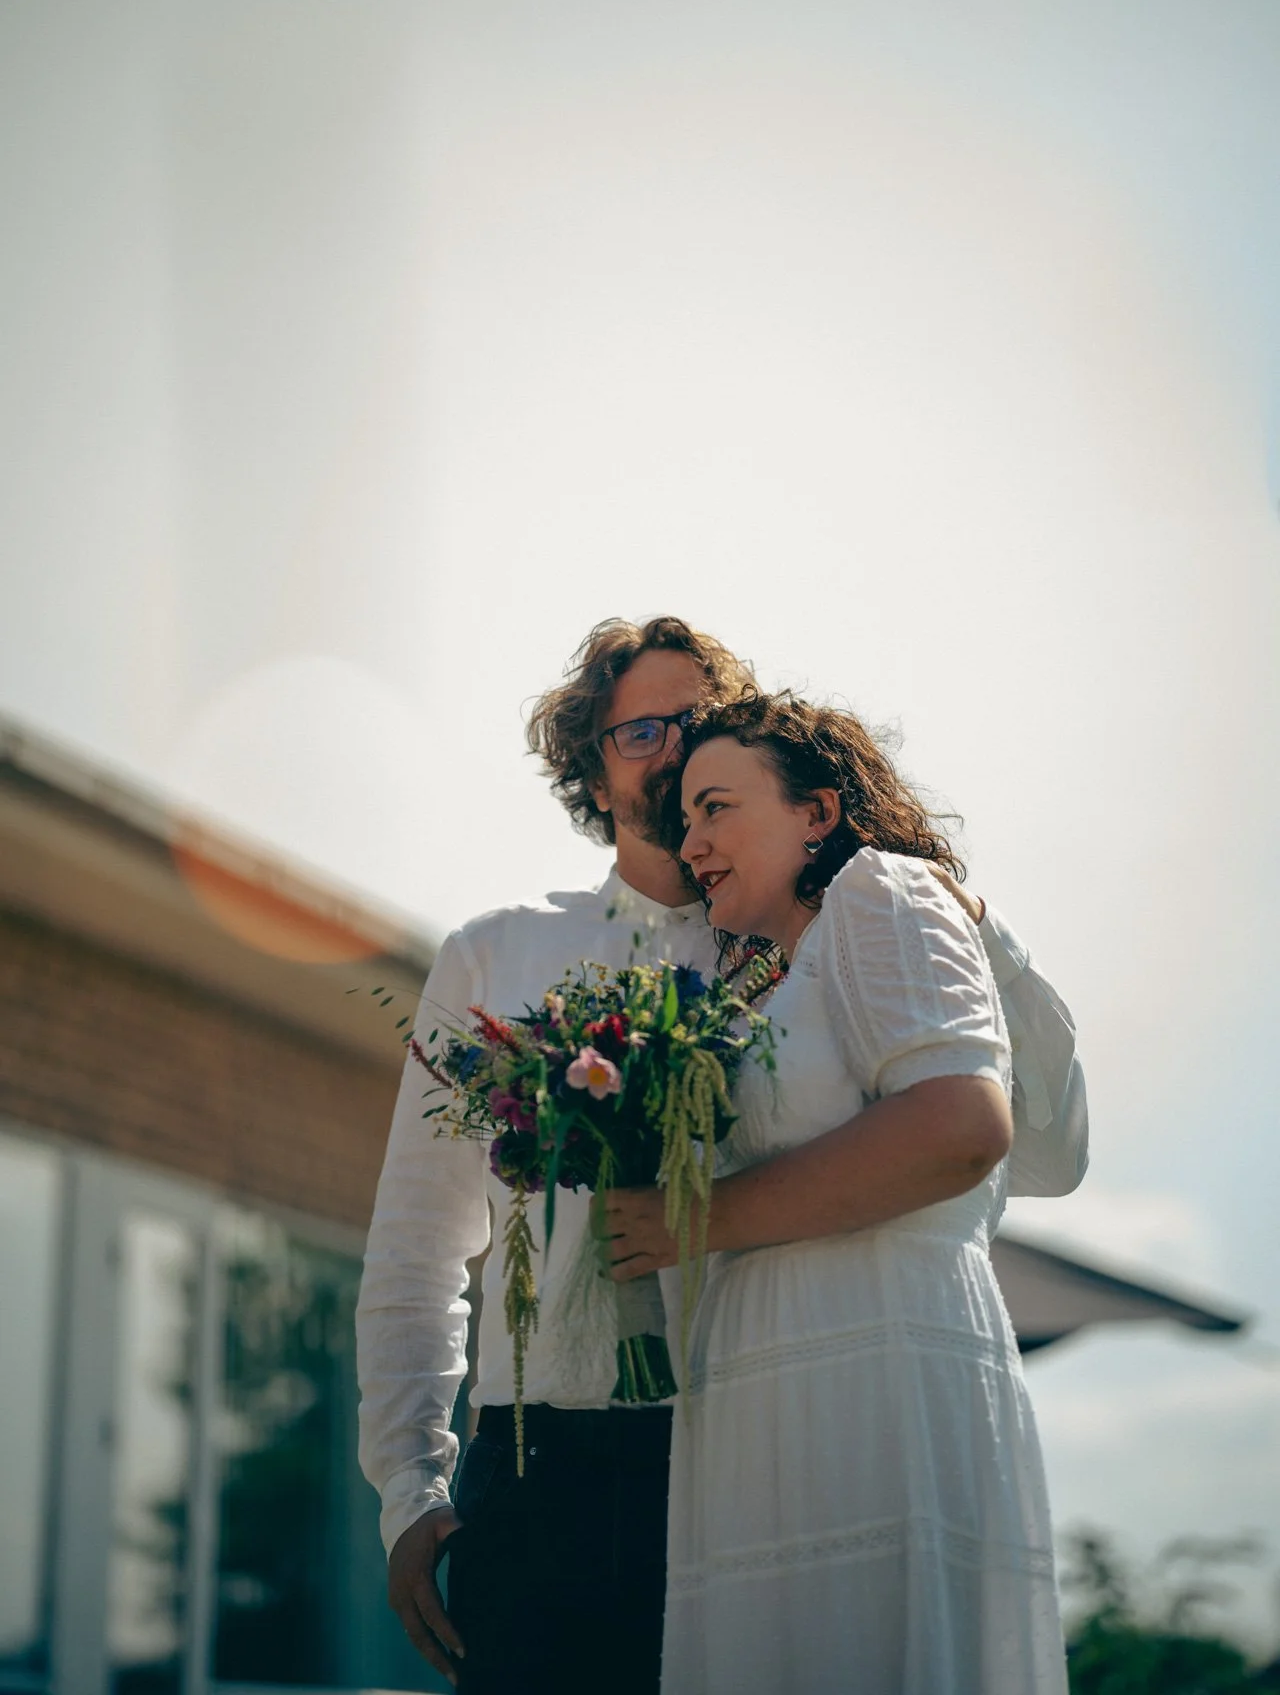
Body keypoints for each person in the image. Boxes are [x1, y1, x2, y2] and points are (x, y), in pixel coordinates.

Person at [355, 619, 1084, 1694]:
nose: (671, 752)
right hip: (542, 1464)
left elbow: (1017, 1144)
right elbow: (419, 1249)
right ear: (590, 773)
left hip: (752, 1444)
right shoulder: (496, 952)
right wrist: (411, 1487)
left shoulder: (813, 929)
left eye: (693, 724)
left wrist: (970, 911)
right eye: (638, 730)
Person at [605, 692, 1069, 1694]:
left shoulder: (879, 893)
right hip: (753, 1381)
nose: (692, 842)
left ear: (816, 814)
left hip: (871, 1353)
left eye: (716, 807)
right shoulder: (741, 983)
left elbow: (959, 1127)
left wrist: (692, 1223)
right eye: (683, 818)